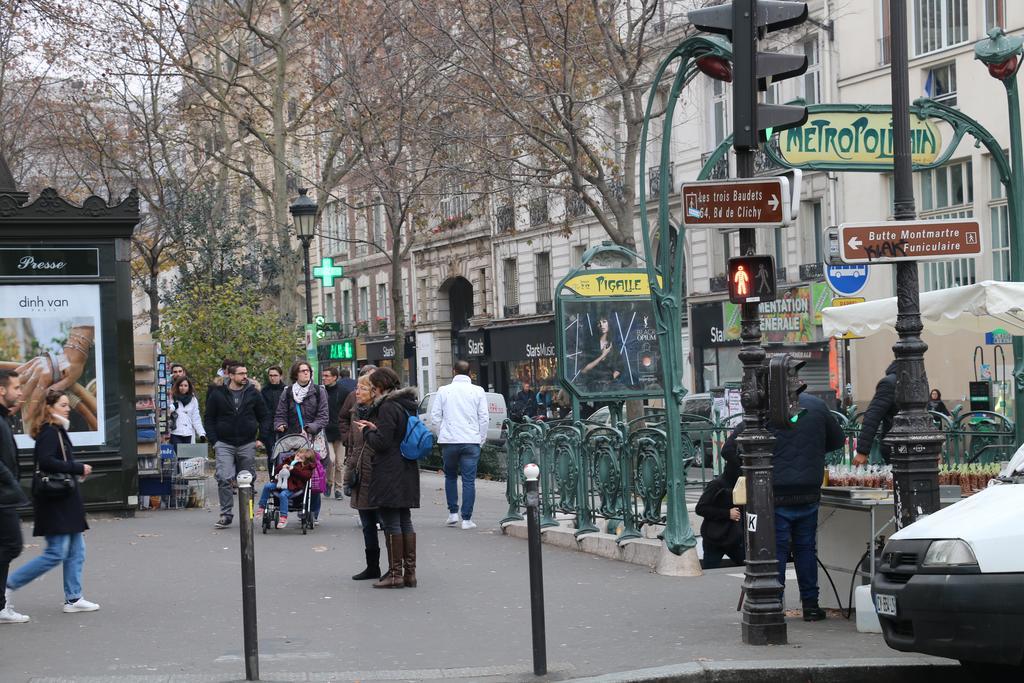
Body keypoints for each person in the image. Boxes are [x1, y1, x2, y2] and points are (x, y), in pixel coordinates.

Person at [5, 391, 99, 615]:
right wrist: (77, 467)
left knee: (77, 549)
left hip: (65, 499)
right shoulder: (49, 432)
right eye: (63, 405)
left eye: (68, 404)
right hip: (55, 501)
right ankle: (8, 585)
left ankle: (74, 598)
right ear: (50, 408)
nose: (68, 408)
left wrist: (77, 469)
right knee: (56, 553)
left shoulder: (57, 430)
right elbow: (47, 462)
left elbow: (58, 462)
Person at [772, 392, 845, 620]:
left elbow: (734, 447)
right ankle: (811, 606)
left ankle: (773, 604)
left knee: (778, 551)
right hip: (808, 488)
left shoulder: (767, 407)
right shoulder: (816, 405)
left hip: (776, 491)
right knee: (806, 549)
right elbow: (837, 439)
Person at [354, 368, 420, 589]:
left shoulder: (388, 406)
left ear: (380, 387)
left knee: (391, 521)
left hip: (390, 469)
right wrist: (376, 429)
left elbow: (382, 443)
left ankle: (395, 574)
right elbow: (397, 433)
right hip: (407, 468)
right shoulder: (407, 404)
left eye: (372, 386)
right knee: (404, 520)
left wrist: (367, 432)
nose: (371, 390)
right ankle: (409, 574)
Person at [204, 363, 269, 529]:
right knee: (224, 477)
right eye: (240, 374)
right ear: (231, 376)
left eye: (246, 373)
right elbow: (209, 419)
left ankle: (248, 514)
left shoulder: (253, 393)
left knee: (247, 480)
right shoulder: (217, 394)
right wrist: (215, 441)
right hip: (224, 443)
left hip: (247, 442)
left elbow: (264, 417)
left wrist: (261, 438)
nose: (244, 376)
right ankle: (226, 514)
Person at [430, 360, 488, 530]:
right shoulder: (478, 391)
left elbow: (435, 416)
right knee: (469, 480)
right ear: (470, 373)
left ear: (453, 371)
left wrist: (442, 434)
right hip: (471, 440)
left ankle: (452, 513)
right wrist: (481, 438)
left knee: (450, 476)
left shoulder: (443, 390)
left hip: (450, 440)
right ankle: (467, 519)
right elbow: (484, 417)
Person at [274, 361, 329, 524]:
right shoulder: (288, 392)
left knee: (313, 476)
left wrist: (310, 428)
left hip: (314, 439)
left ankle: (313, 512)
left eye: (308, 371)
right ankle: (299, 505)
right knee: (295, 472)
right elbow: (280, 414)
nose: (306, 373)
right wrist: (280, 425)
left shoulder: (319, 391)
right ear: (295, 374)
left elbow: (324, 416)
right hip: (294, 439)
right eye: (302, 371)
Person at [343, 375, 382, 580]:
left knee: (386, 522)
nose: (357, 392)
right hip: (359, 470)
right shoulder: (355, 411)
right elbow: (353, 443)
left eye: (362, 389)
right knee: (367, 523)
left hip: (377, 472)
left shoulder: (381, 412)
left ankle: (395, 567)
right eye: (357, 388)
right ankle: (372, 567)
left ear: (373, 391)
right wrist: (349, 467)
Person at [0, 370, 29, 624]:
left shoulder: (4, 418)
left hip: (6, 496)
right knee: (11, 545)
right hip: (3, 496)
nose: (20, 392)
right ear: (2, 390)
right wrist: (10, 482)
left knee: (8, 546)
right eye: (16, 387)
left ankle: (0, 607)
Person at [694, 450, 744, 570]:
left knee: (749, 568)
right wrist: (727, 514)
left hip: (734, 538)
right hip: (715, 538)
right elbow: (701, 508)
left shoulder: (742, 484)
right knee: (710, 572)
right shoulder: (716, 484)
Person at [256, 447, 316, 529]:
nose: (297, 457)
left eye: (301, 457)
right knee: (267, 486)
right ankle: (262, 506)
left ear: (306, 460)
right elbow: (276, 470)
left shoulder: (307, 467)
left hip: (293, 486)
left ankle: (283, 517)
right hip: (280, 483)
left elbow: (305, 476)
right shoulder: (289, 460)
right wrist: (283, 466)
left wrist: (293, 469)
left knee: (283, 495)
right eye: (297, 455)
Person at [854, 362, 898, 466]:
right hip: (895, 446)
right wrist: (862, 451)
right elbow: (872, 417)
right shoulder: (890, 383)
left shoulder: (918, 380)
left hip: (919, 446)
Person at [321, 366, 349, 500]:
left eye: (327, 376)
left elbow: (350, 409)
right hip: (326, 432)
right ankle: (328, 483)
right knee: (330, 461)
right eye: (323, 376)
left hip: (340, 431)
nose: (324, 378)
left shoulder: (343, 392)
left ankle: (338, 489)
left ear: (334, 377)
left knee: (339, 463)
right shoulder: (320, 391)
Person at [580, 316, 621, 389]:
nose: (602, 325)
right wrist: (603, 355)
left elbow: (620, 367)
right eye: (599, 323)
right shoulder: (590, 345)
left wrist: (610, 380)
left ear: (609, 324)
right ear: (596, 326)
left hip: (609, 387)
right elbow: (584, 370)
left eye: (604, 321)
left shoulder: (613, 345)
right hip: (593, 386)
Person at [168, 376, 206, 445]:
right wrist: (172, 407)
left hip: (189, 433)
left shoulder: (193, 399)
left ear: (189, 387)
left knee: (188, 455)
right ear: (177, 386)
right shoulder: (172, 397)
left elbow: (196, 418)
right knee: (180, 455)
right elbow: (164, 413)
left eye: (185, 386)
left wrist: (201, 433)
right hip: (175, 433)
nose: (183, 388)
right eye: (181, 385)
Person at [261, 366, 285, 473]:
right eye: (270, 375)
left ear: (280, 376)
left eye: (275, 375)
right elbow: (262, 413)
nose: (272, 378)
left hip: (284, 428)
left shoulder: (286, 390)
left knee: (284, 455)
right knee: (271, 456)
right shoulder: (264, 391)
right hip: (269, 428)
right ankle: (272, 480)